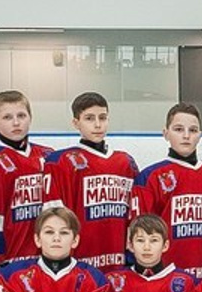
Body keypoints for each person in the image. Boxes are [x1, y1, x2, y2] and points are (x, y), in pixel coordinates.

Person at [41, 92, 139, 272]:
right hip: (78, 263)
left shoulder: (126, 163)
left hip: (120, 261)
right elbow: (53, 215)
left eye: (103, 118)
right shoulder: (60, 162)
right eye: (89, 118)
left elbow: (136, 215)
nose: (97, 124)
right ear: (75, 123)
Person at [129, 102, 202, 280]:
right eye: (179, 129)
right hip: (168, 279)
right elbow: (140, 231)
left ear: (201, 135)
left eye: (193, 130)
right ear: (165, 133)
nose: (186, 136)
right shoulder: (150, 177)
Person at [0, 90, 53, 263]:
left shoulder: (47, 156)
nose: (16, 122)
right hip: (12, 260)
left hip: (48, 257)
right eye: (7, 117)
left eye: (21, 115)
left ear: (30, 117)